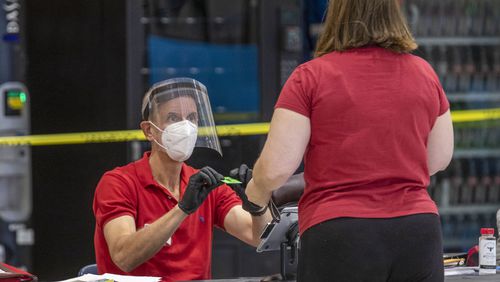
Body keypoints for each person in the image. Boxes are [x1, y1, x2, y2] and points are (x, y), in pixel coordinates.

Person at [243, 0, 454, 281]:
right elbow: (438, 158)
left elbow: (274, 170)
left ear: (338, 15)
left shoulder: (310, 78)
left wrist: (255, 195)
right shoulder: (424, 73)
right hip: (417, 232)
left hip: (341, 233)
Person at [92, 78, 271, 281]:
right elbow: (124, 256)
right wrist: (182, 209)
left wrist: (257, 203)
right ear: (149, 131)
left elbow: (257, 237)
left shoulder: (204, 184)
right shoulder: (118, 183)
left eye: (192, 117)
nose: (186, 126)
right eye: (173, 118)